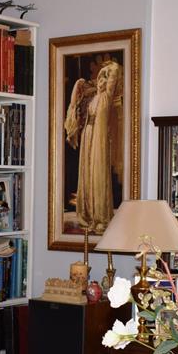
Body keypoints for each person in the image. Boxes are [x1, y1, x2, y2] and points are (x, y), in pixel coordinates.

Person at [63, 55, 121, 235]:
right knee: (87, 173)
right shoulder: (93, 97)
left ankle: (100, 216)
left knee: (97, 173)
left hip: (98, 137)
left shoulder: (106, 97)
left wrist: (109, 68)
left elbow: (115, 71)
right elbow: (74, 103)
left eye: (105, 77)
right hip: (88, 135)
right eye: (100, 77)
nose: (102, 80)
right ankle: (87, 214)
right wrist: (77, 85)